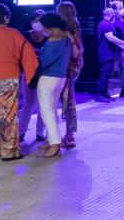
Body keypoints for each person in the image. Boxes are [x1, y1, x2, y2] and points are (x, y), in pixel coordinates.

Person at [0, 3, 38, 161]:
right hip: (9, 75)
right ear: (5, 17)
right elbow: (28, 51)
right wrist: (31, 74)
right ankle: (9, 151)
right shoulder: (14, 34)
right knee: (8, 113)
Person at [36, 13, 77, 158]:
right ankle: (50, 139)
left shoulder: (51, 40)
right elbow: (74, 55)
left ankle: (54, 144)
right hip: (61, 78)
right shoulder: (66, 38)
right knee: (52, 109)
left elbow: (43, 62)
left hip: (47, 79)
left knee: (47, 112)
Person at [57, 1, 83, 148]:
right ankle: (69, 134)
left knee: (67, 101)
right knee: (68, 100)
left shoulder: (65, 30)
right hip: (73, 68)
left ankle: (69, 135)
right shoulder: (76, 27)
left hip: (65, 69)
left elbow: (73, 50)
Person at [18, 10, 47, 142]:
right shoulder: (24, 36)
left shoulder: (50, 37)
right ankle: (20, 132)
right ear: (31, 22)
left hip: (46, 75)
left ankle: (40, 132)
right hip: (28, 74)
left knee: (43, 104)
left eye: (41, 20)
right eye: (36, 20)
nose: (38, 24)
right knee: (28, 104)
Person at [95, 8, 124, 102]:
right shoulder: (105, 24)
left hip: (109, 54)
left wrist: (123, 46)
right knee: (105, 74)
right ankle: (99, 95)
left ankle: (104, 94)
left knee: (106, 74)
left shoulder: (107, 24)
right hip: (105, 54)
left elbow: (112, 40)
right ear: (110, 14)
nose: (114, 15)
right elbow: (111, 38)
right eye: (113, 13)